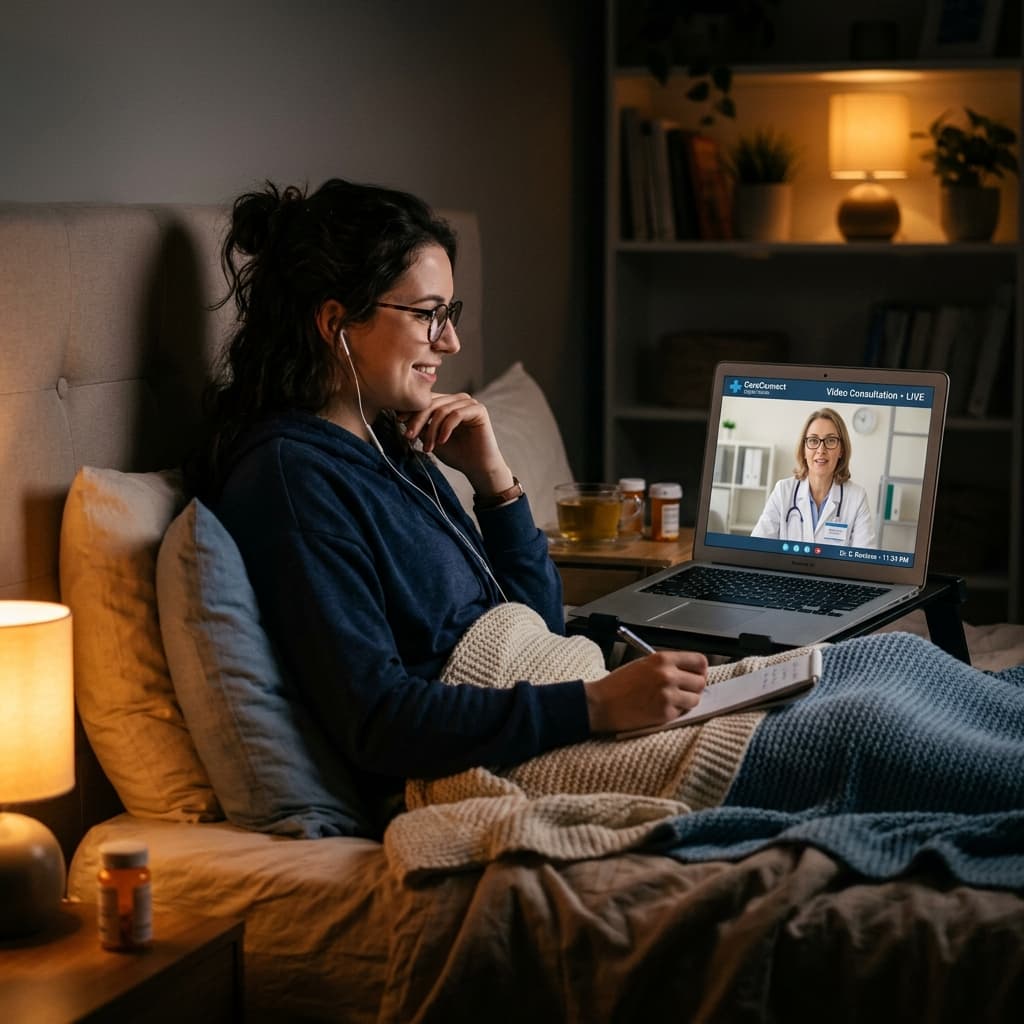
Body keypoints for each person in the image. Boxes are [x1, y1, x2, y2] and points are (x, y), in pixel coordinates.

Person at [190, 178, 708, 825]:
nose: (451, 343)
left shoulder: (394, 445)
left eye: (450, 314)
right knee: (847, 739)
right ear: (335, 324)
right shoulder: (291, 481)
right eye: (427, 314)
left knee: (855, 673)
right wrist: (596, 705)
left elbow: (537, 624)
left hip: (559, 701)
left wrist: (494, 482)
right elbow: (378, 720)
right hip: (504, 757)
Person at [751, 407, 876, 548]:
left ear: (841, 450)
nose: (821, 450)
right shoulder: (783, 491)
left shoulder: (857, 497)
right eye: (813, 440)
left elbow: (864, 557)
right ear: (804, 449)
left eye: (830, 441)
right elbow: (757, 547)